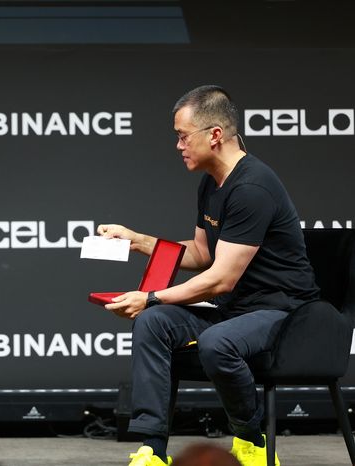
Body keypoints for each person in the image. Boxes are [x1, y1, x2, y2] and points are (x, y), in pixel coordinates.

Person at [98, 85, 319, 466]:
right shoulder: (211, 183)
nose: (178, 145)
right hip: (235, 309)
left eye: (183, 136)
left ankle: (250, 440)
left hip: (282, 312)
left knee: (215, 341)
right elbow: (202, 254)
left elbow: (220, 280)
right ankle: (153, 448)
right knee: (152, 323)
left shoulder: (252, 187)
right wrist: (138, 241)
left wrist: (150, 297)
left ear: (214, 134)